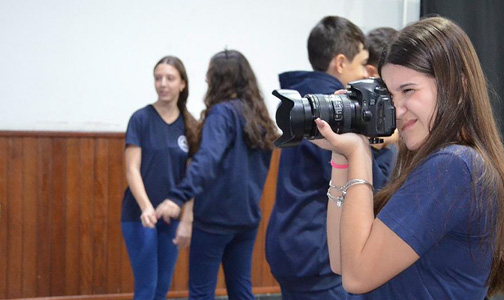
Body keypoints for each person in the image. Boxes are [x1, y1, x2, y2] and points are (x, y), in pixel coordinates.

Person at [312, 16, 504, 299]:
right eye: (390, 95)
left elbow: (356, 277)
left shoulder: (454, 166)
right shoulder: (448, 163)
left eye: (408, 90)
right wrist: (342, 157)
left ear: (458, 87)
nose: (397, 109)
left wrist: (359, 155)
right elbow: (342, 261)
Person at [265, 16, 396, 300]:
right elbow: (370, 189)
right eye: (362, 64)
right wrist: (385, 147)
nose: (367, 73)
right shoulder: (334, 112)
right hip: (319, 255)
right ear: (340, 63)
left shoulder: (305, 101)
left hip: (293, 247)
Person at [155, 49, 279, 300]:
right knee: (241, 290)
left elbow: (207, 159)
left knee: (201, 292)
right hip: (246, 219)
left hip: (215, 220)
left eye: (210, 75)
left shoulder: (222, 113)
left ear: (219, 79)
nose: (206, 80)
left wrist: (177, 197)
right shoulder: (258, 116)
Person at [121, 55, 198, 300]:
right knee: (147, 287)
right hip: (139, 216)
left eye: (170, 78)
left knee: (161, 287)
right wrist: (146, 208)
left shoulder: (190, 124)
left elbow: (193, 177)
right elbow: (132, 169)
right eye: (158, 78)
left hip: (171, 218)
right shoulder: (140, 119)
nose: (163, 83)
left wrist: (187, 218)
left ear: (182, 84)